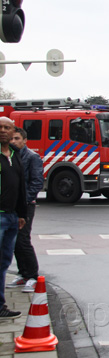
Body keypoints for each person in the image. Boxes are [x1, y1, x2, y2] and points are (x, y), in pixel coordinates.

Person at [8, 128, 43, 293]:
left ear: (25, 140)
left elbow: (37, 181)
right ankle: (23, 273)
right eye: (12, 139)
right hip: (10, 206)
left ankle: (33, 276)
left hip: (25, 206)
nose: (13, 141)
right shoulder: (10, 156)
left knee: (23, 240)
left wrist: (24, 200)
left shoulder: (31, 157)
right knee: (14, 241)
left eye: (17, 138)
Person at [0, 117, 27, 319]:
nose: (3, 131)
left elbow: (20, 186)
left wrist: (21, 213)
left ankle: (1, 305)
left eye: (7, 128)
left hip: (12, 216)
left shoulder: (16, 155)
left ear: (13, 132)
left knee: (4, 262)